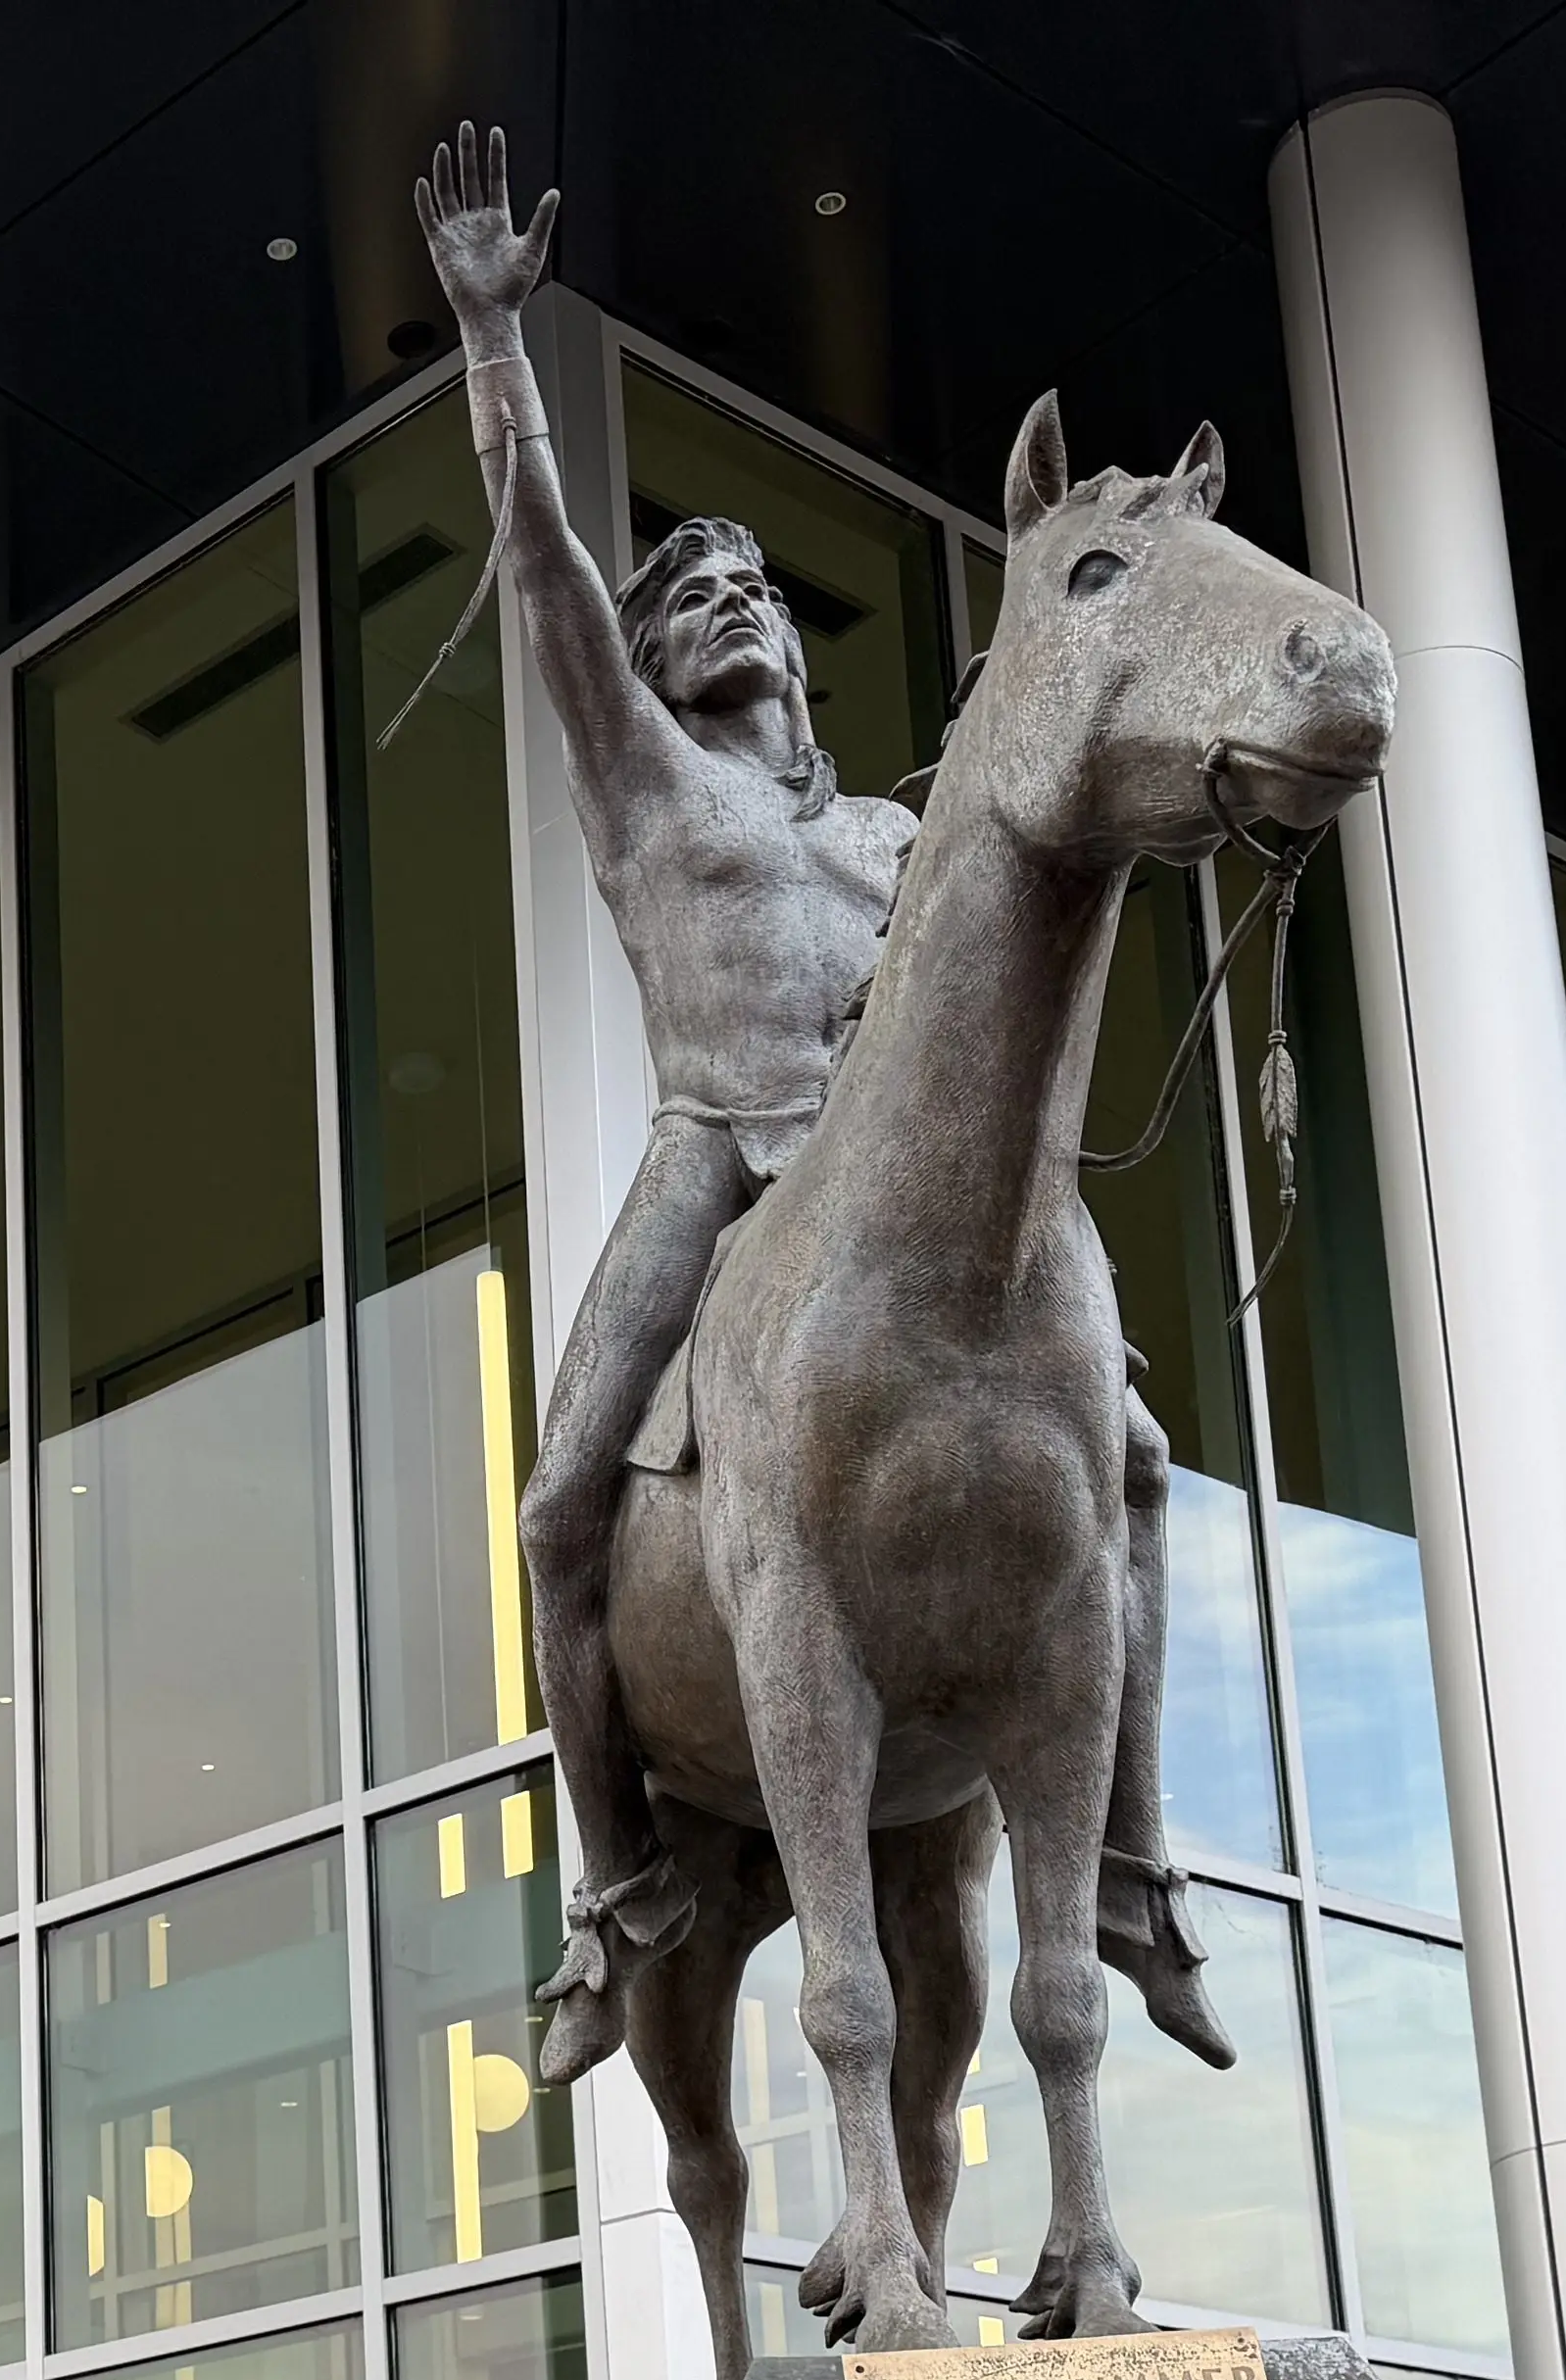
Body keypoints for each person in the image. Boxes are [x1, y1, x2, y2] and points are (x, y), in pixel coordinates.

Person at [414, 122, 1223, 2084]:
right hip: (720, 1155)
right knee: (558, 1505)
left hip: (889, 1180)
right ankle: (620, 1898)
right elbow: (545, 575)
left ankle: (1131, 1869)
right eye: (686, 591)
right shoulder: (645, 785)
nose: (725, 601)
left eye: (747, 583)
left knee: (1127, 1455)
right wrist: (495, 344)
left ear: (790, 642)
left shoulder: (888, 833)